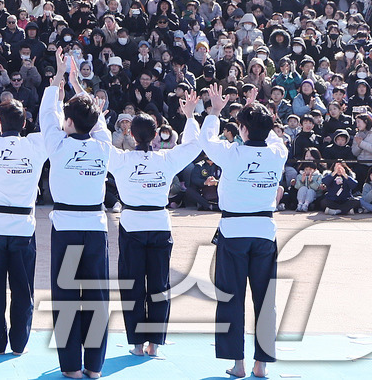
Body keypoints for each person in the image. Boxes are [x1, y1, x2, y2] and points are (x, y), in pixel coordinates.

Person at [200, 84, 287, 379]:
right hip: (264, 231)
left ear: (244, 130)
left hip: (235, 231)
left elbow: (205, 139)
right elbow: (273, 135)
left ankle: (237, 363)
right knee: (265, 298)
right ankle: (261, 364)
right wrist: (257, 111)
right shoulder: (279, 152)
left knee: (231, 297)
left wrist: (214, 111)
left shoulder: (231, 153)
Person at [105, 96, 202, 359]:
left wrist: (98, 118)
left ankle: (137, 343)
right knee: (159, 284)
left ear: (131, 134)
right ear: (156, 133)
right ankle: (154, 344)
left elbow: (100, 144)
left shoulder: (121, 160)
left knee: (133, 285)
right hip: (159, 225)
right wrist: (191, 116)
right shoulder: (165, 160)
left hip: (133, 226)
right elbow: (194, 146)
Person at [38, 54, 111, 379]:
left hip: (67, 228)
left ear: (68, 123)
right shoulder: (104, 144)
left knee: (66, 295)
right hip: (95, 227)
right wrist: (76, 84)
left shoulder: (57, 144)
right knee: (96, 297)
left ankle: (70, 366)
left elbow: (46, 112)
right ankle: (94, 367)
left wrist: (60, 79)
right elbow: (94, 119)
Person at [0, 69, 51, 357]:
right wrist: (54, 88)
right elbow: (53, 125)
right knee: (23, 289)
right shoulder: (36, 144)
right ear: (26, 122)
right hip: (22, 228)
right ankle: (19, 344)